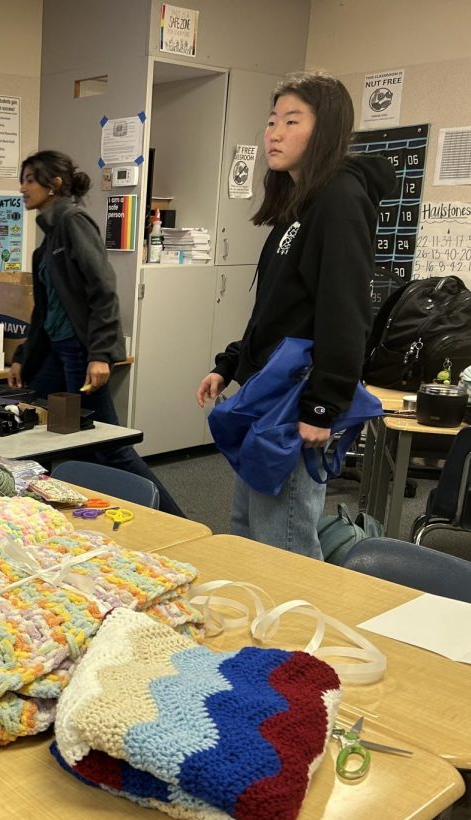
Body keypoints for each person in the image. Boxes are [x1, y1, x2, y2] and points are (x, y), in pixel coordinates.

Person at [195, 72, 394, 557]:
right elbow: (278, 310)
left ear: (325, 129)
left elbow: (345, 314)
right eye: (271, 122)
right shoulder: (299, 202)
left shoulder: (340, 201)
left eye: (291, 120)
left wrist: (323, 405)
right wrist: (229, 364)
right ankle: (253, 630)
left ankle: (296, 633)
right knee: (248, 530)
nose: (274, 134)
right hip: (266, 391)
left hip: (297, 399)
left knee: (282, 541)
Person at [9, 150, 185, 517]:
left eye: (30, 179)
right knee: (47, 434)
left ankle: (173, 518)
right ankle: (72, 512)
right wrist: (23, 359)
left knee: (108, 444)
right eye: (22, 180)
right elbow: (44, 312)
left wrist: (101, 354)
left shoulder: (74, 222)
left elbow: (103, 288)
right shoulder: (48, 241)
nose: (22, 188)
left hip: (79, 350)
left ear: (54, 184)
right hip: (57, 352)